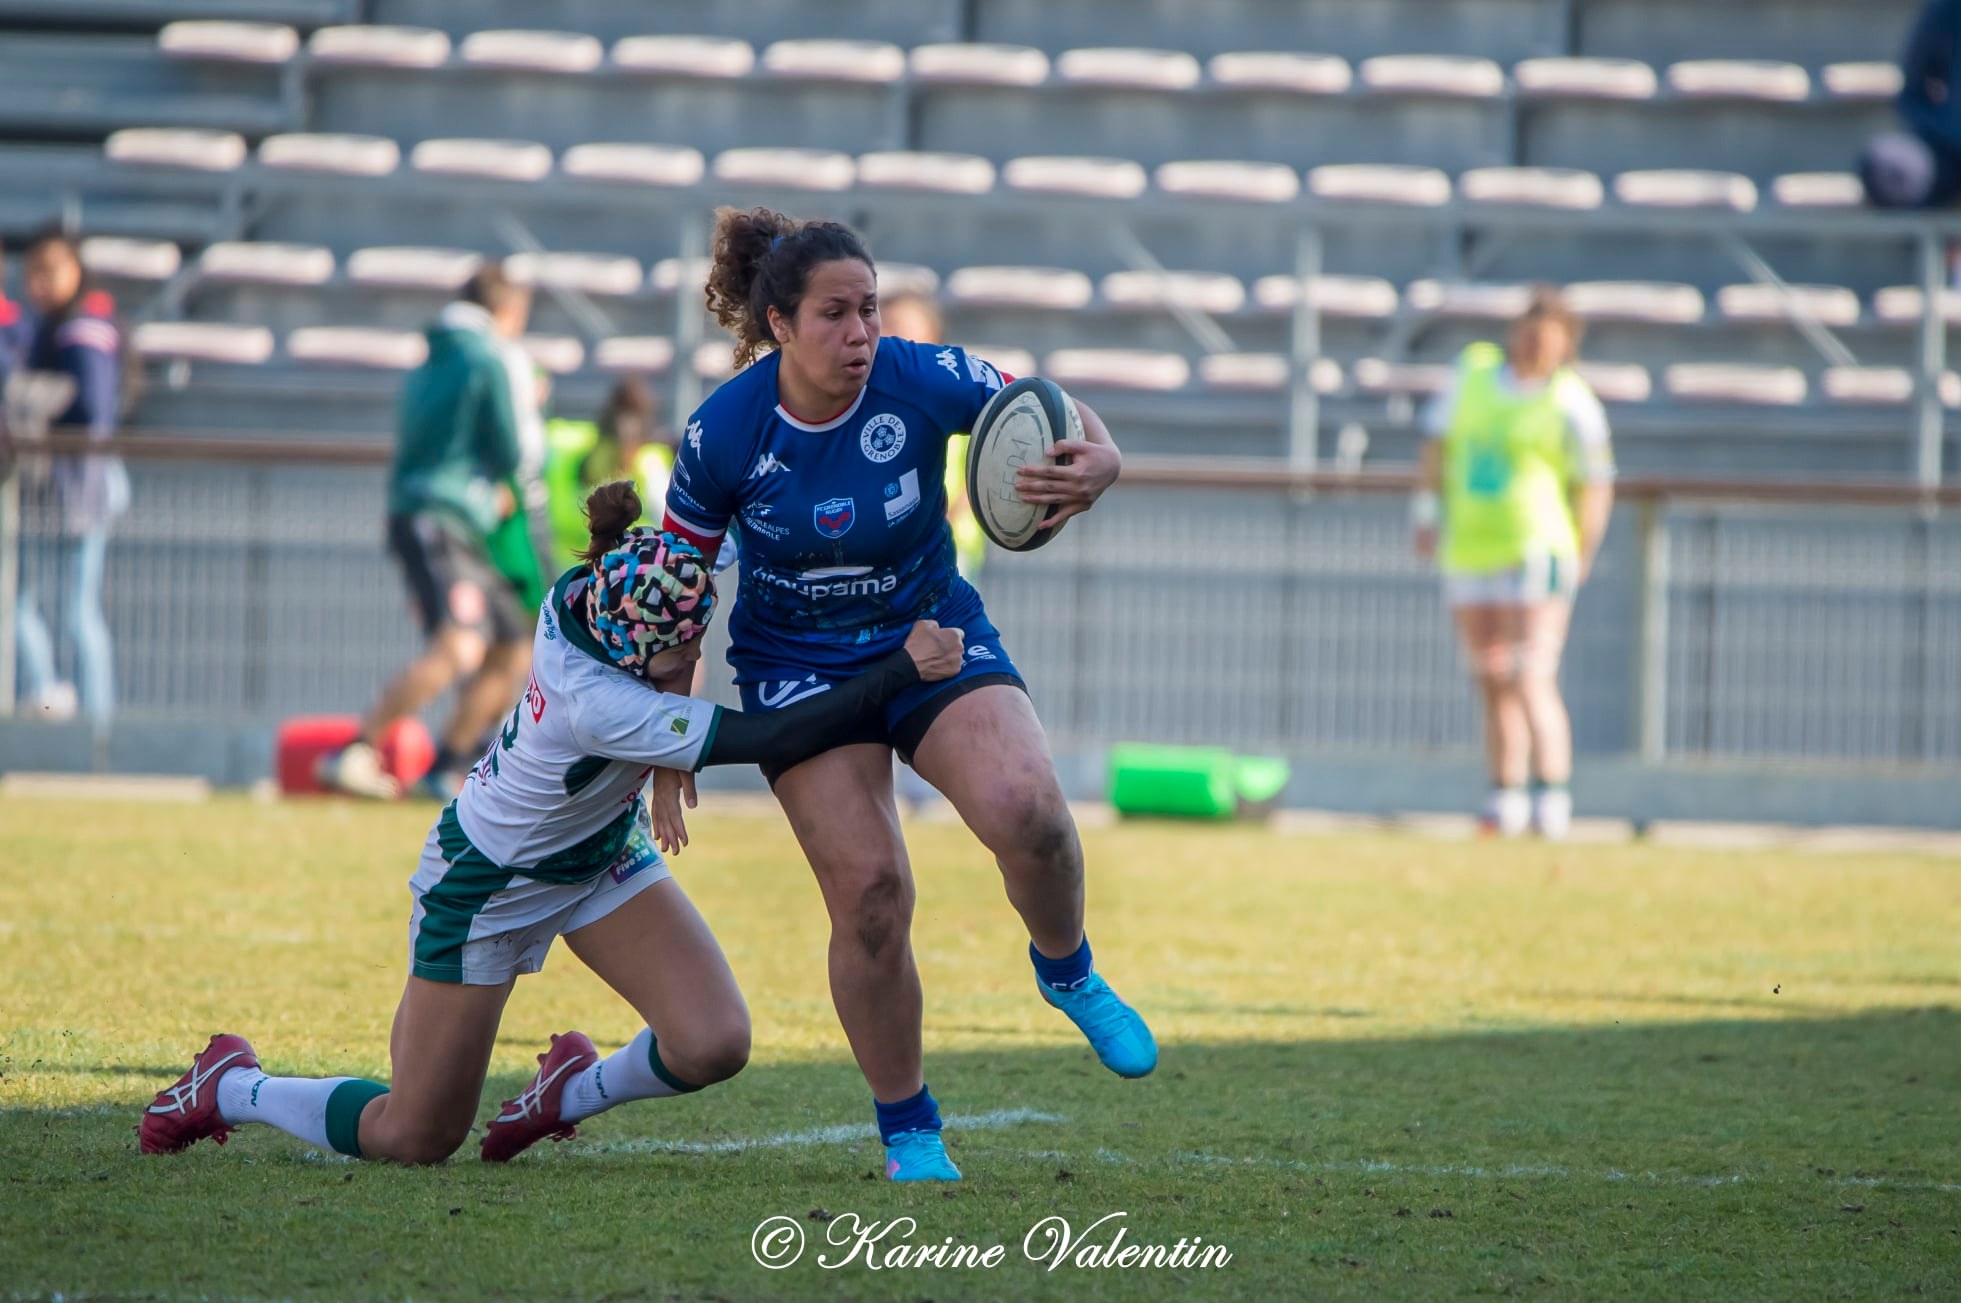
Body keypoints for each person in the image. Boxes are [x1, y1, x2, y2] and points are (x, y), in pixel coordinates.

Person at [141, 481, 968, 1166]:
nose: (690, 663)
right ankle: (229, 1084)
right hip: (490, 885)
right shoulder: (601, 705)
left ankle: (565, 1089)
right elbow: (778, 736)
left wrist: (667, 764)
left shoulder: (594, 591)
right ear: (633, 658)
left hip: (597, 853)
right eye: (676, 659)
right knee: (416, 1132)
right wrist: (903, 667)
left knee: (714, 1040)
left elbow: (679, 629)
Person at [657, 206, 1151, 1184]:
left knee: (1032, 813)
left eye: (869, 310)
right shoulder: (724, 432)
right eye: (835, 314)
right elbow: (678, 592)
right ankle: (909, 1128)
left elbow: (1045, 405)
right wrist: (669, 742)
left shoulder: (917, 376)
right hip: (799, 668)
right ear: (780, 324)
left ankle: (1068, 969)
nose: (860, 333)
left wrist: (1105, 456)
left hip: (928, 635)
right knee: (873, 894)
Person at [320, 267, 544, 800]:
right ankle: (356, 749)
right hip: (445, 519)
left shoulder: (427, 362)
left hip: (430, 516)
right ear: (508, 313)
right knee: (462, 647)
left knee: (515, 644)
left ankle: (449, 764)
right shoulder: (490, 359)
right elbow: (515, 452)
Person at [1413, 289, 1615, 839]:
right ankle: (1504, 794)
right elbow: (1437, 442)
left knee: (1531, 672)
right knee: (1491, 674)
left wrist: (1581, 550)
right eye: (1526, 332)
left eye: (1545, 337)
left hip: (1535, 547)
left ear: (1564, 346)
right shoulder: (1474, 375)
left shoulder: (1571, 402)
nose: (1531, 345)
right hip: (1471, 545)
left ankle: (1552, 796)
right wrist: (1427, 510)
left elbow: (1595, 484)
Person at [11, 228, 128, 730]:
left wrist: (30, 397)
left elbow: (92, 407)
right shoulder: (45, 328)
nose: (40, 283)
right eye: (33, 271)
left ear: (76, 270)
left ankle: (96, 730)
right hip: (51, 490)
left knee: (74, 613)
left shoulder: (84, 327)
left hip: (81, 488)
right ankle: (51, 699)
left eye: (51, 271)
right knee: (27, 605)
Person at [543, 376, 675, 572]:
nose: (627, 431)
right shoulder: (575, 450)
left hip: (626, 580)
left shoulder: (649, 466)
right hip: (575, 572)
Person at [1861, 0, 1961, 208]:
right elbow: (1912, 95)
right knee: (1888, 166)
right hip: (1950, 153)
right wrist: (1945, 130)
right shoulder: (1949, 9)